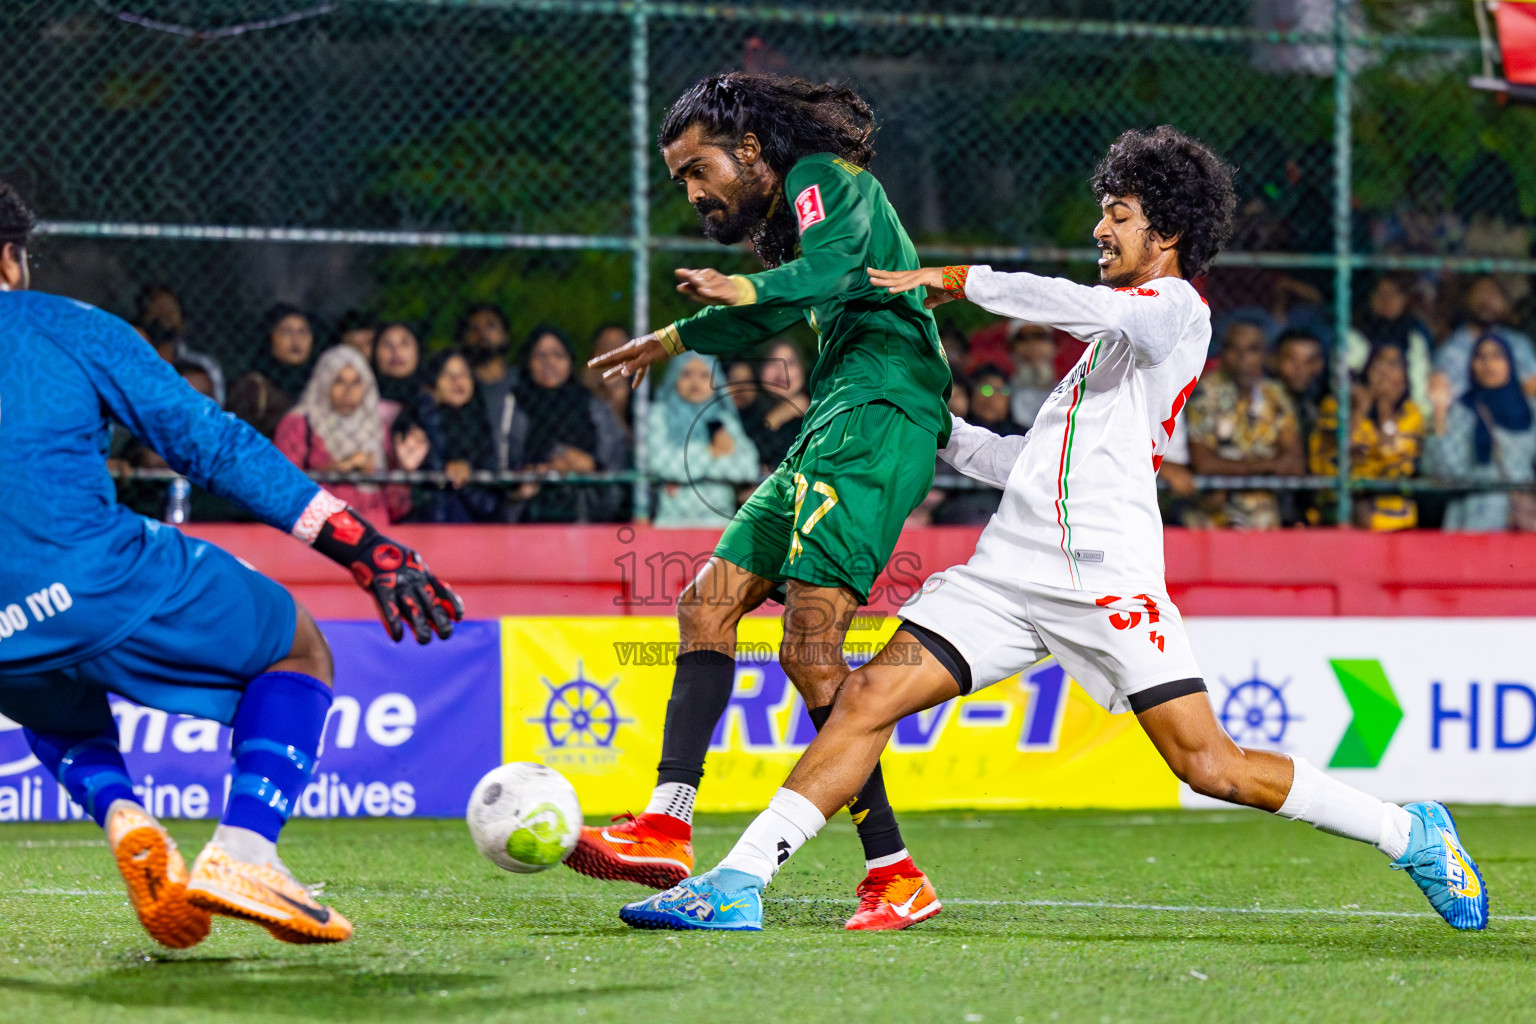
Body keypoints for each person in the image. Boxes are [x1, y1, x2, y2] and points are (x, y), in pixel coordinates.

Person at [619, 126, 1487, 937]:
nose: (1101, 229)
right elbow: (1023, 465)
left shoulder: (1173, 312)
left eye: (1120, 216)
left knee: (1209, 766)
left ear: (1170, 232)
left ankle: (1405, 828)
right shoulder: (1103, 359)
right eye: (1103, 212)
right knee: (865, 699)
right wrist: (927, 421)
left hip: (1105, 581)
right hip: (1007, 577)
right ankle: (738, 882)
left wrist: (961, 280)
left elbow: (1088, 308)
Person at [0, 182, 463, 949]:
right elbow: (209, 443)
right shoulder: (64, 325)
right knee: (298, 646)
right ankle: (246, 850)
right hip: (94, 579)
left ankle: (125, 817)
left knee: (46, 689)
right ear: (11, 259)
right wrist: (359, 544)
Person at [584, 72, 952, 930]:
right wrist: (673, 338)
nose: (694, 191)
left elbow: (832, 271)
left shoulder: (826, 177)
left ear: (750, 149)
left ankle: (893, 872)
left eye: (698, 168)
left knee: (811, 646)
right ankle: (667, 822)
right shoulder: (791, 218)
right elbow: (768, 312)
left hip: (878, 413)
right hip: (835, 417)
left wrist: (742, 288)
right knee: (706, 605)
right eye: (680, 179)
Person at [1184, 317, 1304, 529]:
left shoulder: (1275, 394)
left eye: (1252, 349)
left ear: (1265, 356)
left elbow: (1294, 463)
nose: (1242, 358)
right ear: (1223, 352)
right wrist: (1267, 466)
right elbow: (1204, 463)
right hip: (1216, 513)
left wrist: (1236, 468)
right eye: (1234, 348)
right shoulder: (1205, 393)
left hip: (1266, 516)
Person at [274, 346, 411, 525]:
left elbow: (397, 508)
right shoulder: (299, 424)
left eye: (356, 382)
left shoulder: (376, 427)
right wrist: (335, 470)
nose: (348, 391)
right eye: (339, 381)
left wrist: (399, 469)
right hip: (319, 531)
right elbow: (281, 488)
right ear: (324, 382)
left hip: (373, 533)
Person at [508, 326, 629, 523]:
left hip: (585, 516)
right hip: (530, 516)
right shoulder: (515, 404)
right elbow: (506, 459)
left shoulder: (591, 405)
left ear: (570, 360)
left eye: (558, 354)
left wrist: (590, 466)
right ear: (528, 361)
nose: (550, 362)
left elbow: (614, 460)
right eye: (541, 355)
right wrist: (543, 469)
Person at [1424, 334, 1536, 531]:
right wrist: (1439, 414)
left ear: (1510, 363)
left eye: (1497, 356)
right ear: (1471, 365)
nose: (1488, 364)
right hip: (1475, 514)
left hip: (1522, 516)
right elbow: (1444, 471)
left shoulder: (1529, 408)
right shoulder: (1463, 409)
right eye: (1480, 357)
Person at [1311, 345, 1424, 531]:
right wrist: (1361, 408)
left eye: (1394, 365)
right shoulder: (1336, 404)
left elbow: (1390, 453)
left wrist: (1384, 407)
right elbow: (1342, 450)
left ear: (1404, 378)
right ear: (1367, 370)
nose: (1385, 373)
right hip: (1339, 496)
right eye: (1379, 363)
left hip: (1390, 499)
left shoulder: (1410, 413)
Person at [647, 352, 760, 527]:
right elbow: (659, 463)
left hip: (719, 522)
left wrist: (684, 471)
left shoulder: (724, 419)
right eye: (686, 374)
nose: (695, 382)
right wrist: (713, 453)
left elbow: (748, 467)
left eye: (704, 375)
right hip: (671, 522)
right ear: (674, 377)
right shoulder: (659, 415)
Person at [414, 349, 503, 523]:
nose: (457, 381)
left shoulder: (481, 423)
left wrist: (469, 477)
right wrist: (428, 404)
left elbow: (490, 503)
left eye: (464, 374)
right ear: (433, 382)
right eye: (447, 375)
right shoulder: (421, 417)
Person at [1434, 276, 1536, 402]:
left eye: (1493, 294)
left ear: (1505, 304)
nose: (1486, 299)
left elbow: (1532, 388)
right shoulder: (1451, 349)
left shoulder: (1518, 344)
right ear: (1467, 300)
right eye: (1480, 292)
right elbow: (1440, 400)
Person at [227, 304, 317, 437]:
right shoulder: (252, 386)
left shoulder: (321, 382)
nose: (296, 340)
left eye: (302, 332)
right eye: (286, 331)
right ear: (270, 337)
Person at [1347, 274, 1432, 409]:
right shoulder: (1354, 334)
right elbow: (1343, 379)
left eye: (1394, 293)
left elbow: (1420, 390)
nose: (1387, 300)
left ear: (1405, 299)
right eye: (1380, 293)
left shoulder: (1414, 337)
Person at [134, 284, 226, 407]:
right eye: (158, 308)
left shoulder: (188, 343)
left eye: (170, 308)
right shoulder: (147, 332)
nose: (165, 312)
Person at [457, 303, 517, 471]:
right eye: (473, 328)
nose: (481, 333)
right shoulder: (457, 388)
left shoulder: (524, 384)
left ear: (505, 335)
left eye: (490, 325)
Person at [744, 338, 809, 472]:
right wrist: (776, 417)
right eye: (773, 362)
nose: (782, 370)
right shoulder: (745, 412)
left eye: (791, 362)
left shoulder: (821, 411)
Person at [583, 322, 638, 436]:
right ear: (595, 354)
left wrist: (617, 408)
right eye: (608, 348)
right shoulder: (581, 388)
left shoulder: (639, 391)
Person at [1006, 320, 1058, 427]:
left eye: (1040, 336)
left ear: (1052, 346)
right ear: (1012, 347)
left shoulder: (1073, 385)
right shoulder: (1003, 388)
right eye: (1023, 338)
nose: (1033, 344)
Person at [372, 321, 425, 405]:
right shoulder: (361, 398)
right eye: (387, 344)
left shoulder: (432, 401)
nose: (396, 351)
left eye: (405, 343)